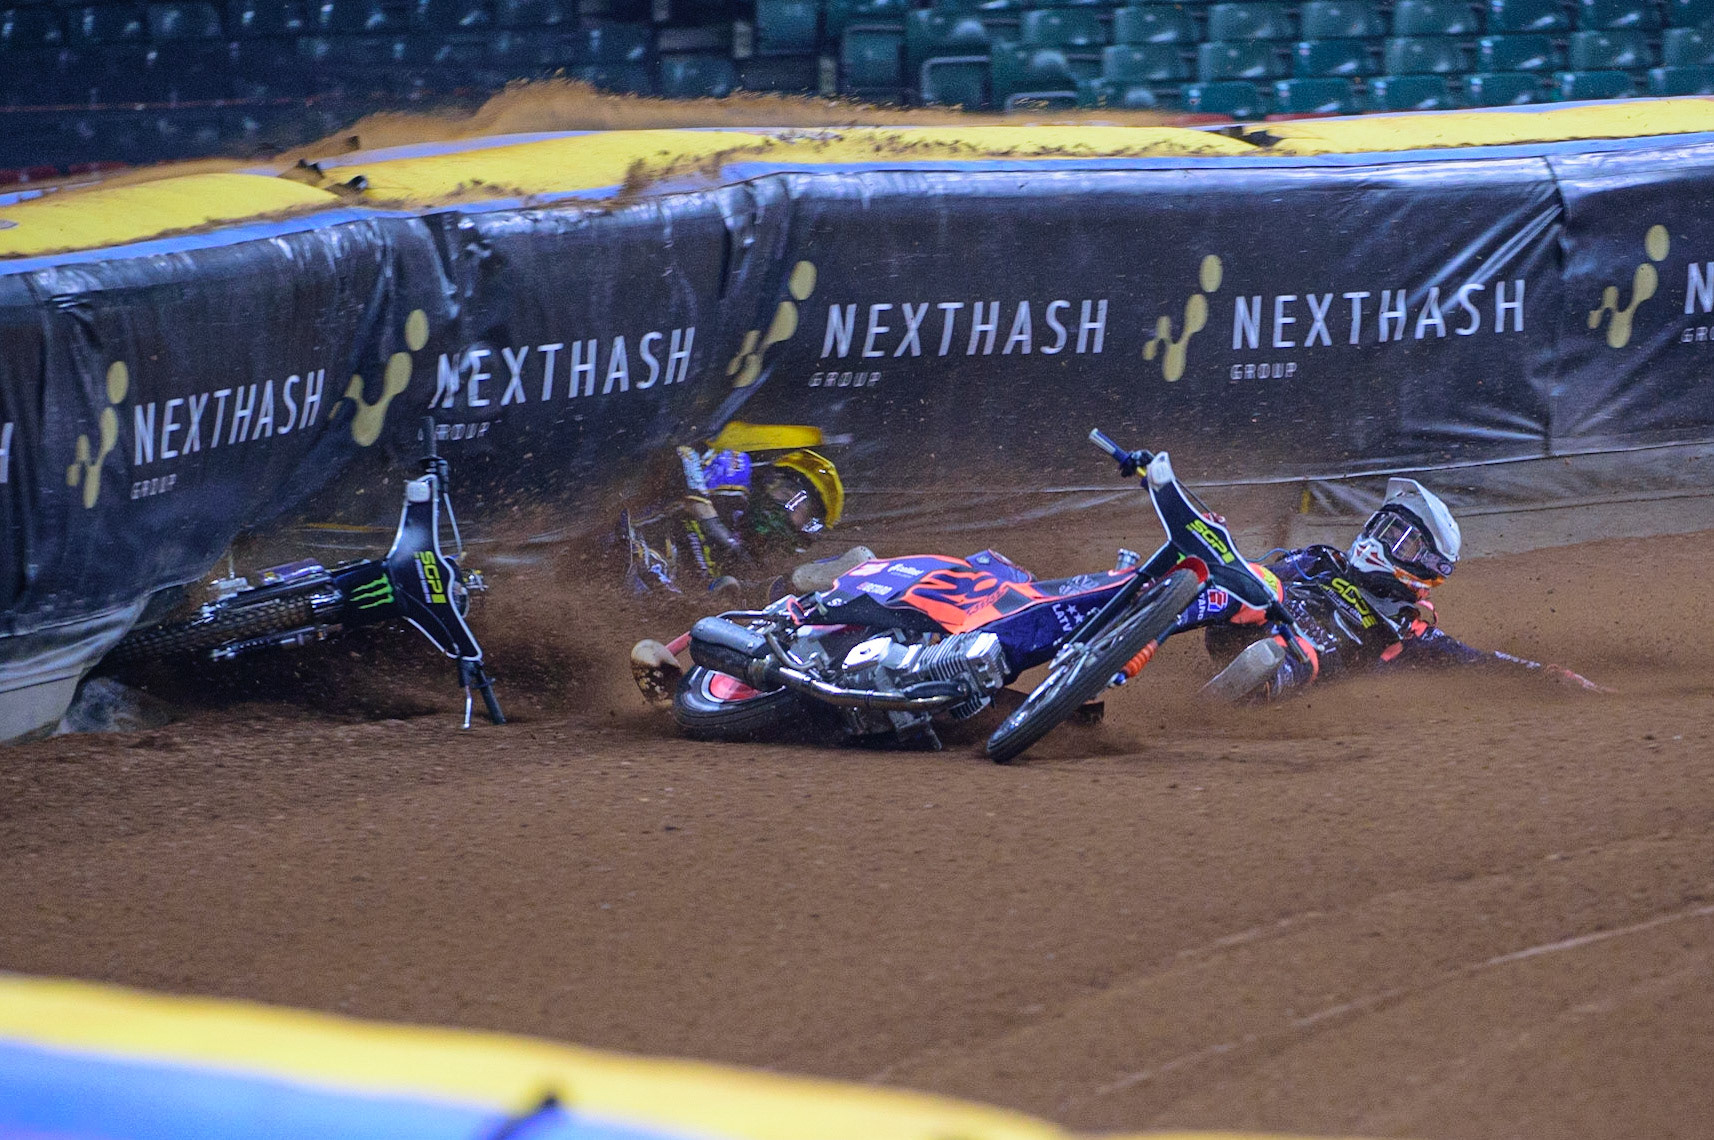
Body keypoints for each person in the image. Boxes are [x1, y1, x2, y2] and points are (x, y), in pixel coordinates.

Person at [1179, 477, 1604, 702]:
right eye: (1383, 528)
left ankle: (1235, 697)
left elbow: (1478, 663)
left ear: (1426, 570)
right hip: (1246, 618)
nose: (1378, 542)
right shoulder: (1323, 559)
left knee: (1306, 655)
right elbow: (1261, 574)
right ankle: (1127, 615)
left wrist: (1549, 676)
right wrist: (1225, 558)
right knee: (1253, 581)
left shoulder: (1408, 635)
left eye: (1401, 539)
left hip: (1294, 658)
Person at [620, 443, 849, 596]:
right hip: (633, 540)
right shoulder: (736, 478)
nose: (788, 507)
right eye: (786, 493)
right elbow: (684, 454)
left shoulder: (759, 564)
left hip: (651, 594)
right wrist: (708, 517)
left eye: (801, 510)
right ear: (770, 481)